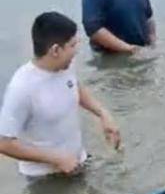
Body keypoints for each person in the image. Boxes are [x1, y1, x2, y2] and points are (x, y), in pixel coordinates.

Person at [0, 12, 120, 177]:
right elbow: (4, 144)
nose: (76, 51)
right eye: (72, 45)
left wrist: (102, 113)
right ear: (55, 50)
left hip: (78, 161)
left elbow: (74, 87)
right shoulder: (22, 88)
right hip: (44, 178)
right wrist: (56, 159)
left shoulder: (65, 65)